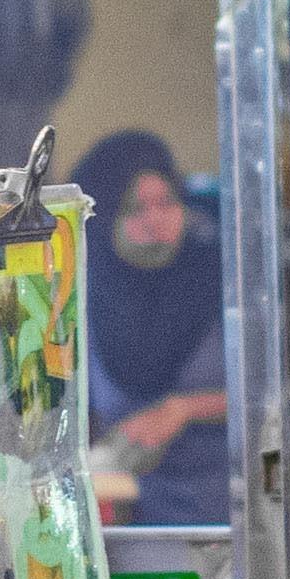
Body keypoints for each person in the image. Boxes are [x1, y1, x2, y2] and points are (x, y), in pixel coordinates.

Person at [74, 130, 233, 520]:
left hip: (233, 507)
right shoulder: (85, 295)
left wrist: (182, 410)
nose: (156, 221)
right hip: (135, 514)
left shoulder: (224, 280)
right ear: (105, 217)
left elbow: (284, 390)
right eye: (134, 209)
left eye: (166, 202)